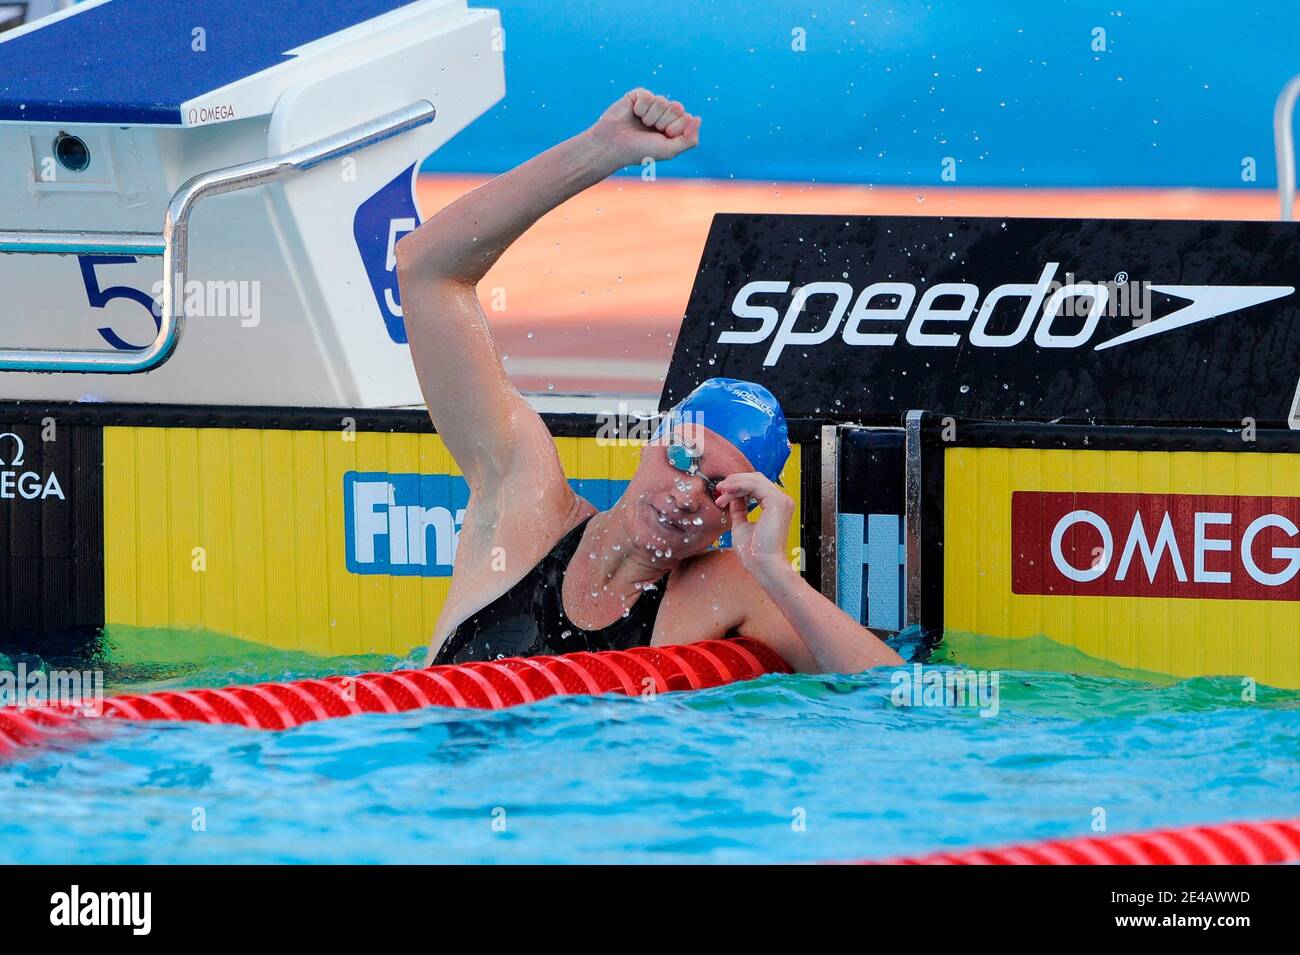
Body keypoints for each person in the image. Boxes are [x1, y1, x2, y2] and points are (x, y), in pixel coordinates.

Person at [394, 88, 902, 674]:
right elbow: (427, 269)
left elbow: (896, 696)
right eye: (683, 458)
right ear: (652, 438)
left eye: (720, 490)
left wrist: (775, 572)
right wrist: (599, 152)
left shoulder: (724, 588)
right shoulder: (523, 504)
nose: (688, 494)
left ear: (735, 514)